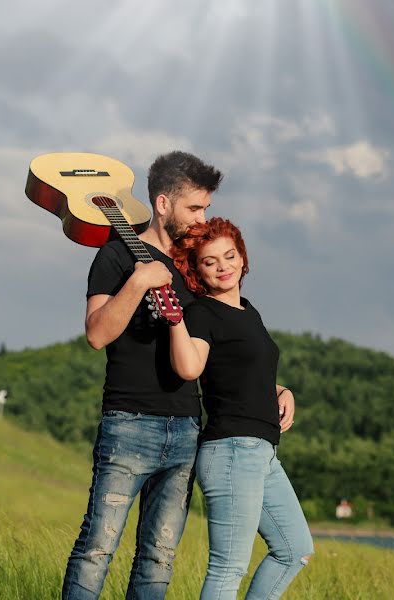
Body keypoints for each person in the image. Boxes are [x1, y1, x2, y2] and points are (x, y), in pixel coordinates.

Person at [61, 151, 223, 600]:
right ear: (163, 204)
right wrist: (137, 282)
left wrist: (275, 387)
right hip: (129, 424)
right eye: (195, 208)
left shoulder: (197, 272)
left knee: (159, 559)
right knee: (97, 549)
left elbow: (214, 351)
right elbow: (96, 334)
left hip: (186, 429)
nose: (202, 218)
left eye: (206, 208)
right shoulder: (116, 257)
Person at [168, 217, 314, 600]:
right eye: (210, 261)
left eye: (229, 255)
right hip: (232, 450)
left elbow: (247, 374)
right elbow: (190, 367)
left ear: (243, 257)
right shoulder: (201, 314)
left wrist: (284, 390)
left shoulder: (249, 312)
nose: (223, 266)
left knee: (294, 550)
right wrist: (174, 322)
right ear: (196, 270)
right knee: (228, 568)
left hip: (262, 453)